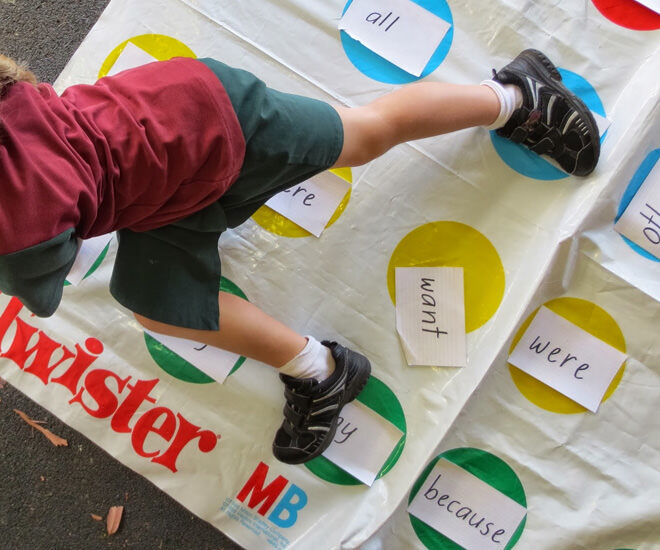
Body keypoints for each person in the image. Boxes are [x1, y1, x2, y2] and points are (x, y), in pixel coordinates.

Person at [0, 49, 599, 464]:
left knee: (364, 135)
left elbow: (46, 286)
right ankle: (325, 373)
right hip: (159, 169)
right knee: (154, 303)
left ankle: (516, 96)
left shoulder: (16, 225)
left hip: (220, 124)